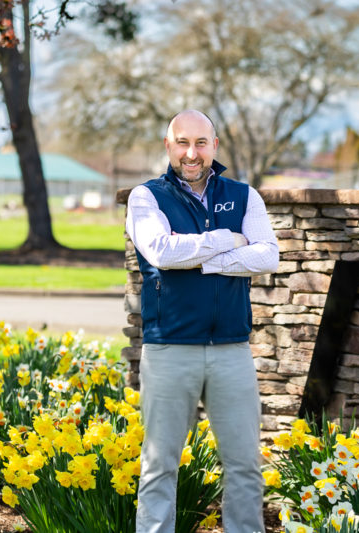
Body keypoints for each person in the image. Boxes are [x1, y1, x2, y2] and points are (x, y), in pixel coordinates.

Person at [126, 109, 279, 533]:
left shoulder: (244, 196)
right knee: (159, 465)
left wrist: (202, 259)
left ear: (214, 145)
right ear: (168, 146)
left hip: (231, 349)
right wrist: (229, 241)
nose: (191, 153)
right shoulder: (146, 197)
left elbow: (267, 255)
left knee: (245, 465)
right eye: (182, 142)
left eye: (200, 143)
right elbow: (162, 252)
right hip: (169, 347)